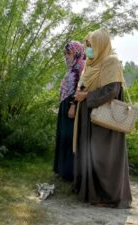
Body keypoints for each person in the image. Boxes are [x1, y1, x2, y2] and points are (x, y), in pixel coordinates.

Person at [73, 28, 132, 208]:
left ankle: (107, 196)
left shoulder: (111, 62)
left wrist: (87, 96)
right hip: (89, 117)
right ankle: (92, 192)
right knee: (90, 155)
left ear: (101, 45)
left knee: (103, 158)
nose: (88, 49)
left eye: (91, 45)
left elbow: (112, 90)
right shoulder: (91, 63)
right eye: (87, 45)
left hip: (105, 124)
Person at [53, 41, 85, 182]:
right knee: (63, 135)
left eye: (68, 53)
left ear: (77, 53)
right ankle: (61, 170)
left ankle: (70, 172)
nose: (66, 56)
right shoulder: (71, 68)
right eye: (65, 53)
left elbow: (81, 89)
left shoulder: (81, 67)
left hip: (73, 106)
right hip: (65, 106)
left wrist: (73, 105)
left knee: (69, 137)